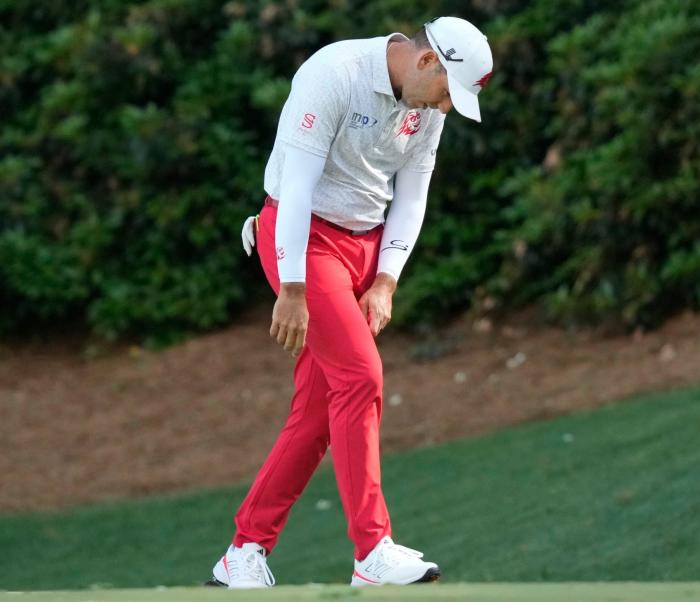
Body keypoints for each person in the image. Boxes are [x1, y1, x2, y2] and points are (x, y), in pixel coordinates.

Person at [207, 16, 493, 589]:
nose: (444, 109)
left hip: (362, 252)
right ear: (427, 61)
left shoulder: (424, 106)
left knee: (317, 413)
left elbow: (412, 196)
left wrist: (386, 279)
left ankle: (242, 552)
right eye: (445, 94)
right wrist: (291, 286)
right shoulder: (334, 73)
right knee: (361, 377)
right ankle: (372, 550)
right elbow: (294, 188)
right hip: (302, 241)